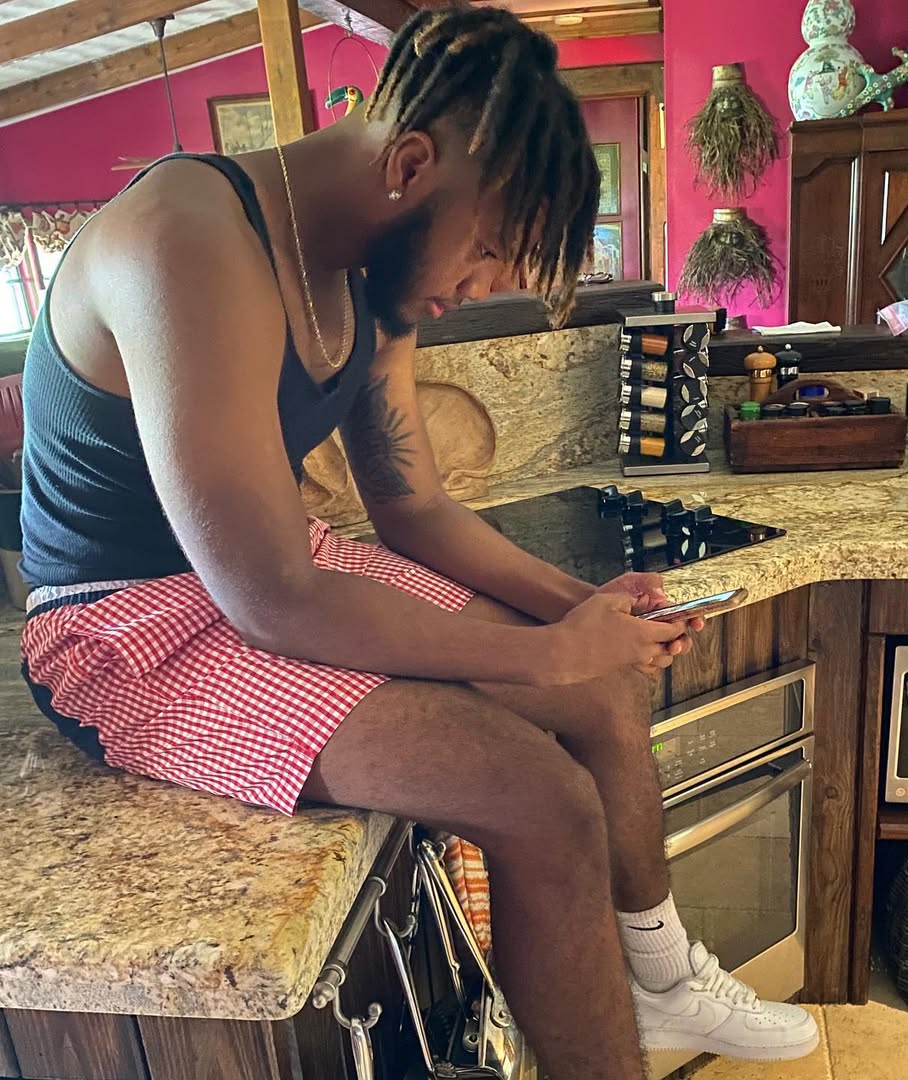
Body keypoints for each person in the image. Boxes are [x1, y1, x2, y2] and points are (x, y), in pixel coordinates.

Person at [18, 5, 818, 1077]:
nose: (479, 287)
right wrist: (543, 652)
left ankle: (662, 981)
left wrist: (578, 613)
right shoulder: (185, 241)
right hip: (127, 633)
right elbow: (273, 600)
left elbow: (413, 508)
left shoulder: (371, 272)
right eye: (486, 248)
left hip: (269, 567)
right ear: (407, 165)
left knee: (602, 689)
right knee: (538, 796)